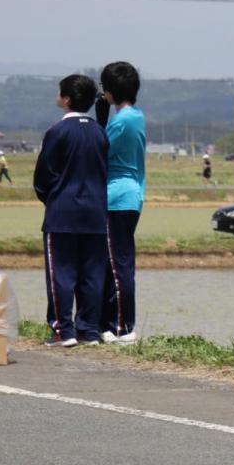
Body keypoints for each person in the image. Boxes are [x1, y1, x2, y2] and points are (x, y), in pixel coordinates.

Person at [33, 75, 110, 348]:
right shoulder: (100, 132)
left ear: (66, 99)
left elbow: (43, 177)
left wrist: (52, 199)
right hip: (96, 212)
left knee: (61, 274)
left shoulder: (57, 131)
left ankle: (62, 330)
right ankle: (88, 330)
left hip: (62, 212)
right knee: (91, 273)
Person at [95, 61, 146, 345]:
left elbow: (98, 149)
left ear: (110, 91)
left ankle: (123, 327)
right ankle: (111, 323)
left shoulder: (122, 120)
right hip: (129, 194)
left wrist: (99, 121)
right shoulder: (136, 115)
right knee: (114, 261)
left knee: (117, 263)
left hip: (117, 196)